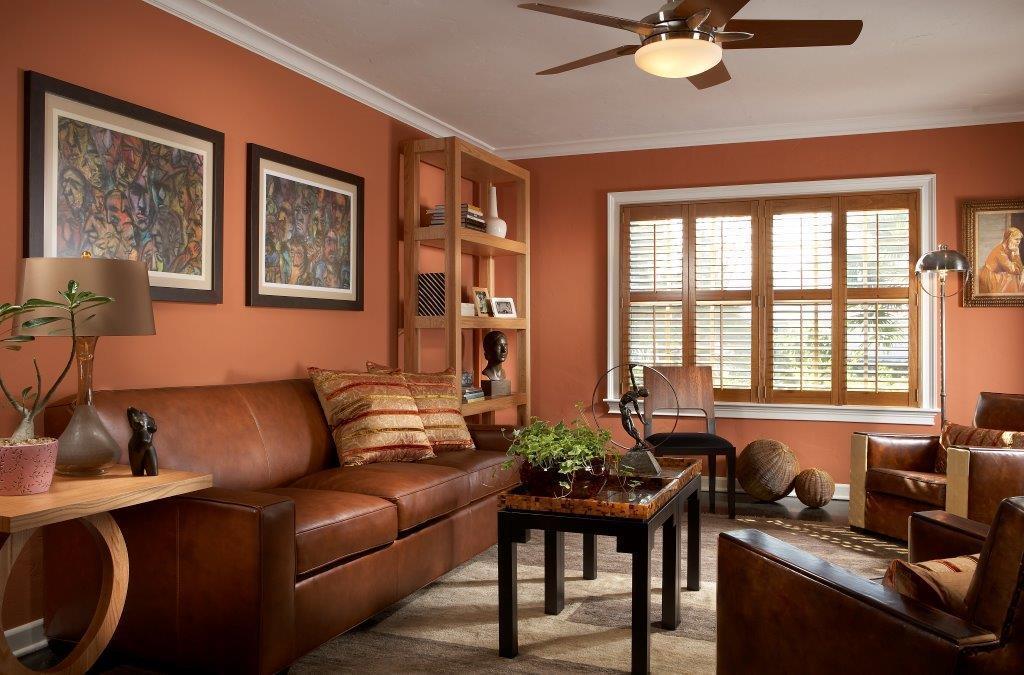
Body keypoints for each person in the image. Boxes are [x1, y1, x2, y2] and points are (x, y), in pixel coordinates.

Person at [979, 226, 1024, 294]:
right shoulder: (1000, 252)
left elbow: (1018, 268)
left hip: (1003, 275)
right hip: (993, 278)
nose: (1018, 242)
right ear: (1008, 239)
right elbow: (1015, 270)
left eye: (1019, 239)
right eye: (1016, 239)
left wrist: (1015, 253)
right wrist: (1016, 254)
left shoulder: (1010, 249)